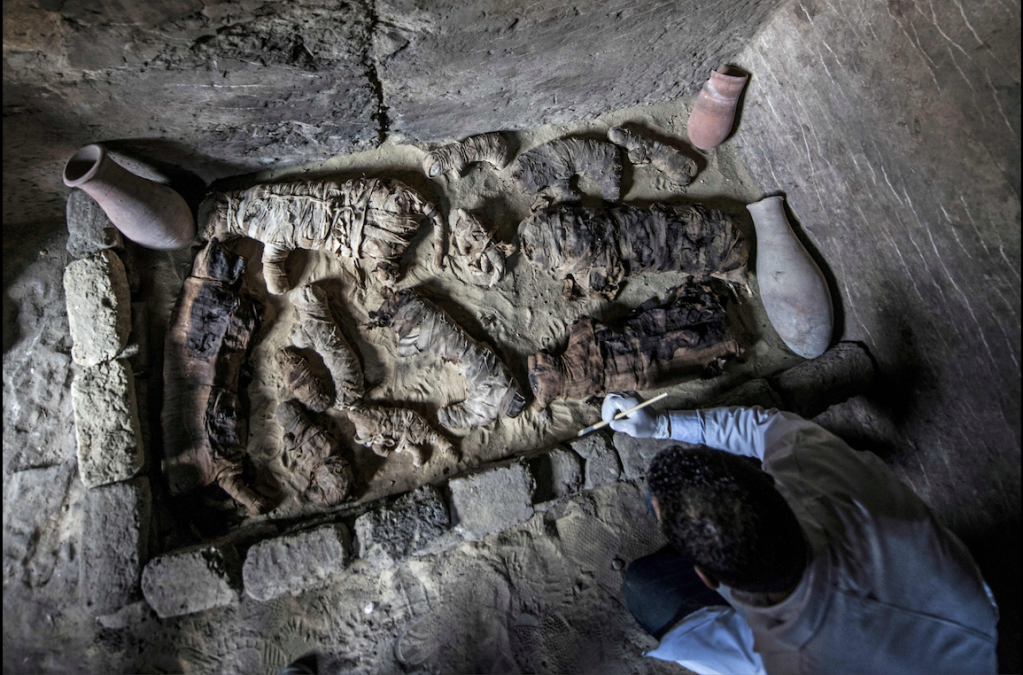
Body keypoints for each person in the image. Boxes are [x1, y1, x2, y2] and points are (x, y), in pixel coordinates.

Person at [602, 393, 999, 674]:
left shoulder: (778, 661)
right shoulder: (821, 470)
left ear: (708, 579)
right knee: (672, 489)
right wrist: (660, 423)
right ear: (772, 485)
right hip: (966, 620)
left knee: (644, 586)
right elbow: (766, 427)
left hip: (922, 634)